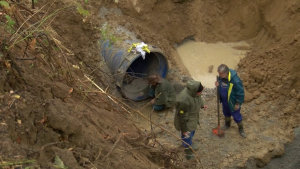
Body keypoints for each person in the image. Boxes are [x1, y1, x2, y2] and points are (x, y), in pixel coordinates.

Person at [174, 80, 207, 160]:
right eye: (200, 92)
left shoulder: (194, 92)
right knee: (186, 137)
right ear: (195, 91)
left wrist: (202, 105)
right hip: (186, 121)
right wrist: (184, 130)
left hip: (193, 119)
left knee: (191, 134)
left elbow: (199, 97)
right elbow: (182, 117)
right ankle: (188, 152)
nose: (201, 93)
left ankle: (190, 144)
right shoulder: (184, 100)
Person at [215, 64, 246, 138]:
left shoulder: (235, 80)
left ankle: (241, 129)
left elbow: (240, 93)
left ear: (226, 73)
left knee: (236, 115)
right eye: (219, 73)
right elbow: (220, 85)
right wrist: (217, 84)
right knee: (226, 113)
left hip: (232, 102)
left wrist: (237, 103)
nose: (219, 75)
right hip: (224, 101)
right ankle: (227, 124)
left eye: (221, 73)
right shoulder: (220, 77)